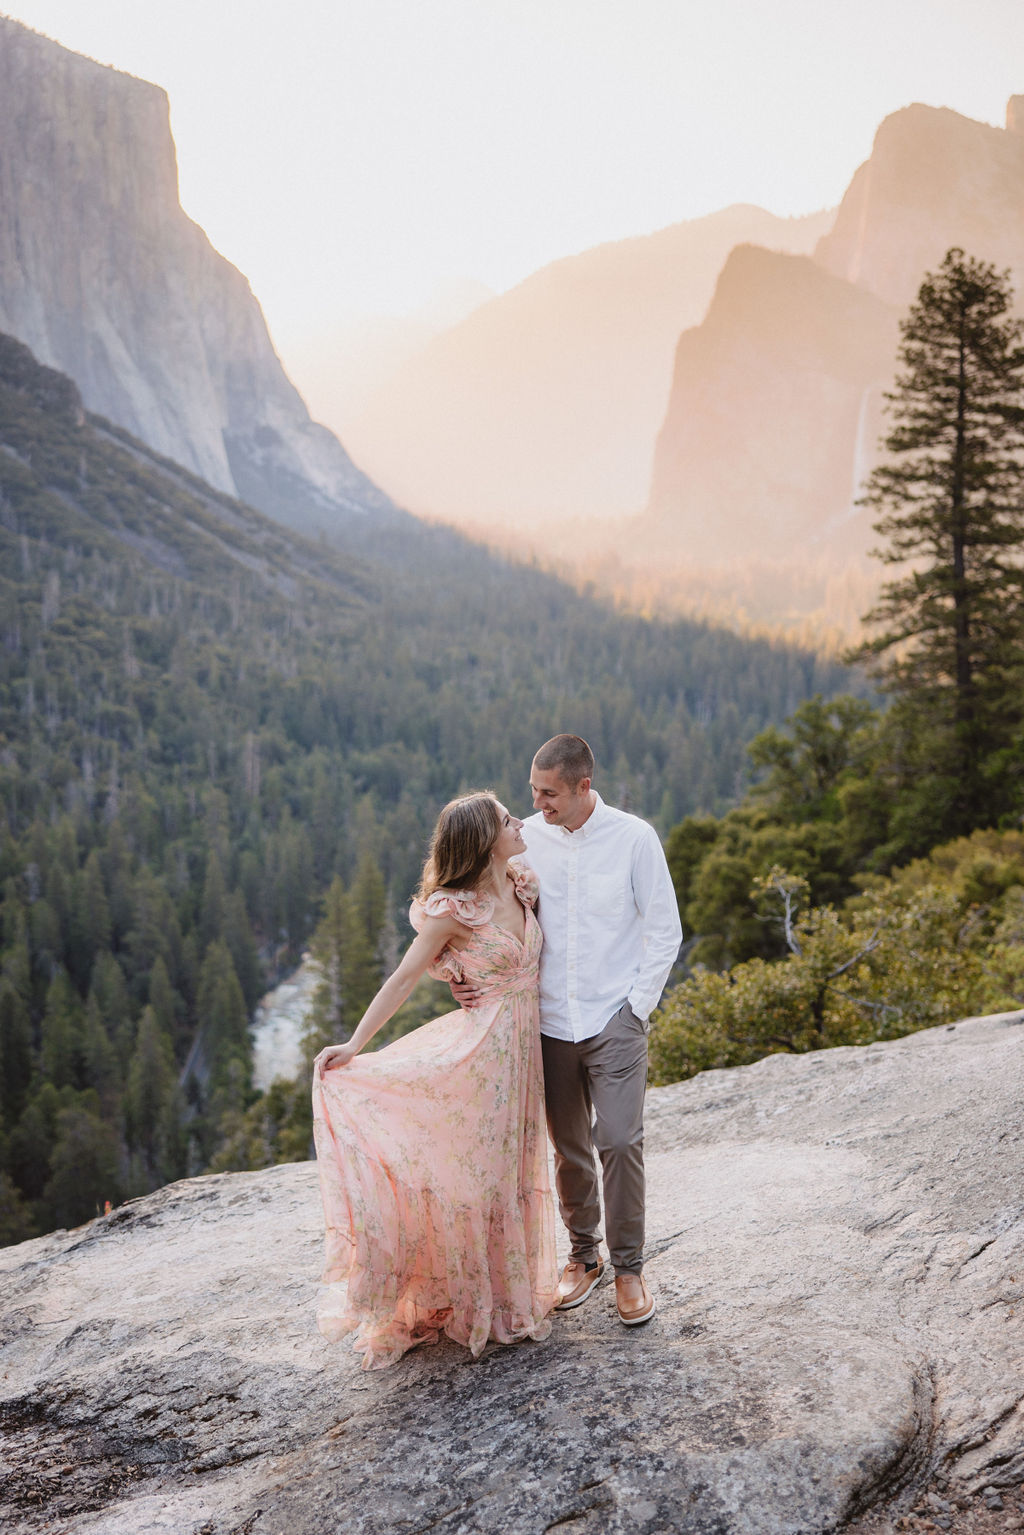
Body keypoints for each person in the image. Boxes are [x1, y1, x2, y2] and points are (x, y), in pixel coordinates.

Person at [311, 791, 559, 1369]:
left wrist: (459, 971)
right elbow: (404, 975)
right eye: (506, 819)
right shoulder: (453, 908)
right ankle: (465, 1297)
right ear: (481, 840)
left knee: (514, 1167)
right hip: (481, 1053)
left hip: (524, 1053)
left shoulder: (522, 881)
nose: (519, 821)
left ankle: (504, 1295)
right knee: (476, 1174)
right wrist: (354, 1044)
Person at [456, 735, 682, 1325]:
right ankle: (585, 1256)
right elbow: (471, 910)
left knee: (620, 1141)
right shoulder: (522, 843)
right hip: (548, 1021)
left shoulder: (635, 838)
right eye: (532, 790)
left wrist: (637, 1008)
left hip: (615, 1018)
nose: (537, 802)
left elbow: (665, 930)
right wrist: (459, 973)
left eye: (548, 792)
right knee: (570, 1147)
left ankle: (629, 1269)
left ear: (584, 786)